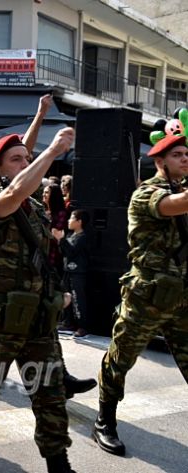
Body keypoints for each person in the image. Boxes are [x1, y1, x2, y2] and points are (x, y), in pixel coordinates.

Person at [0, 129, 77, 473]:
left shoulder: (37, 208)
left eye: (27, 157)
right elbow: (13, 192)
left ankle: (58, 461)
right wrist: (52, 150)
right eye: (16, 159)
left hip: (38, 320)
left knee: (50, 396)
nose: (25, 162)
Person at [93, 135, 188, 457]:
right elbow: (175, 206)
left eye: (187, 154)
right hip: (146, 294)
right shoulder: (146, 194)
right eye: (177, 155)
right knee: (121, 359)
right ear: (160, 162)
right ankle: (105, 421)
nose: (185, 159)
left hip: (182, 296)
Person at [52, 210, 90, 338]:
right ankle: (68, 322)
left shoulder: (83, 237)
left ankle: (82, 326)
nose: (69, 221)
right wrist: (60, 241)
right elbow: (64, 252)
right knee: (66, 296)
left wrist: (61, 240)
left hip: (78, 272)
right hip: (67, 271)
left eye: (71, 218)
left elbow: (72, 252)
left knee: (77, 299)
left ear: (79, 222)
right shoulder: (70, 235)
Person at [43, 183, 68, 275]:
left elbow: (56, 234)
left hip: (52, 250)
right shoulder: (42, 210)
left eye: (46, 193)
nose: (43, 195)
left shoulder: (61, 213)